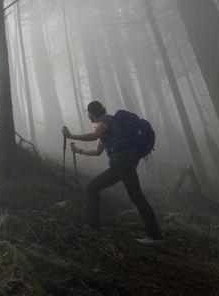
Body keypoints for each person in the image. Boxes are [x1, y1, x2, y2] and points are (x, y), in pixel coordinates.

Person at [62, 100, 162, 244]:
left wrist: (71, 136)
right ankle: (93, 226)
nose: (88, 116)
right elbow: (98, 151)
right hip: (119, 164)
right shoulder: (106, 128)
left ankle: (155, 235)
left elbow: (94, 136)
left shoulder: (105, 120)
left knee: (136, 196)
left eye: (88, 113)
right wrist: (79, 151)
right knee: (93, 187)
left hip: (123, 161)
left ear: (92, 112)